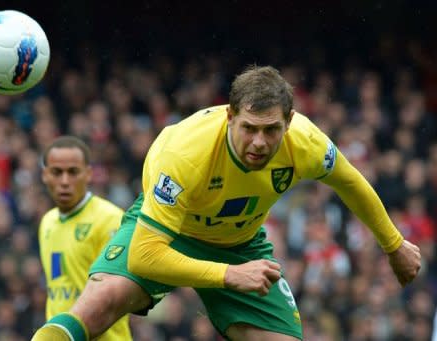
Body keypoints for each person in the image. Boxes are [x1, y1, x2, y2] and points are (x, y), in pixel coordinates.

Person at [31, 66, 421, 341]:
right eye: (249, 128)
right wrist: (228, 275)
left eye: (272, 131)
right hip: (170, 232)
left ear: (289, 120)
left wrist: (393, 244)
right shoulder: (186, 151)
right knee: (99, 303)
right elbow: (145, 258)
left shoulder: (306, 142)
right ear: (230, 116)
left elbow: (350, 182)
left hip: (240, 244)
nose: (259, 142)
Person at [37, 135, 132, 340]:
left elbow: (118, 295)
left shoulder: (110, 219)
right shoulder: (47, 222)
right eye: (56, 172)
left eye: (73, 172)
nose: (64, 181)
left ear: (88, 174)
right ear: (45, 175)